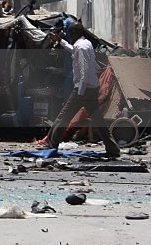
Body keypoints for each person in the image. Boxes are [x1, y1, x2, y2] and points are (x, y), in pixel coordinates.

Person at [47, 20, 120, 158]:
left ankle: (51, 145)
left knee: (63, 117)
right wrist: (61, 41)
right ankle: (113, 149)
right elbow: (72, 50)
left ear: (76, 32)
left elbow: (84, 72)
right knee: (98, 120)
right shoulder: (85, 44)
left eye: (70, 34)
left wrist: (80, 93)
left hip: (83, 88)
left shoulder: (81, 47)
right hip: (91, 88)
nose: (70, 36)